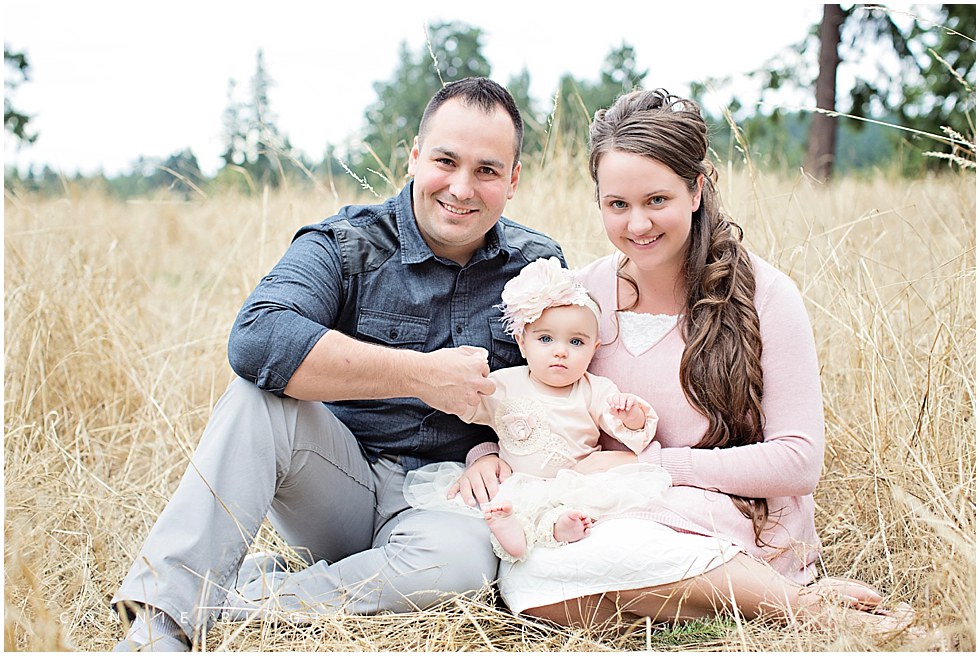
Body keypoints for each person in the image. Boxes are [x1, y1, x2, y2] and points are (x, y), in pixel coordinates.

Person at [110, 77, 565, 652]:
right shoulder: (347, 244)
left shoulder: (536, 266)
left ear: (514, 180)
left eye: (487, 170)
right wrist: (420, 375)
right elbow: (257, 336)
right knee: (257, 399)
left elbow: (561, 385)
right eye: (445, 161)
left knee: (462, 571)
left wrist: (494, 450)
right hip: (335, 484)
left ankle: (235, 603)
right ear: (415, 157)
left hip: (446, 501)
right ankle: (160, 627)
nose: (461, 187)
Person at [452, 88, 916, 636]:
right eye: (617, 205)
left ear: (696, 190)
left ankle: (795, 606)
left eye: (657, 201)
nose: (637, 225)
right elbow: (533, 393)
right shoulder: (579, 296)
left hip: (727, 516)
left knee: (592, 558)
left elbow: (798, 461)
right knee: (530, 573)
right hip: (607, 514)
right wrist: (486, 451)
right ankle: (727, 602)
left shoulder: (765, 295)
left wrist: (657, 466)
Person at [402, 257, 672, 562]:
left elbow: (632, 431)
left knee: (565, 511)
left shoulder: (595, 390)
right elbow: (464, 403)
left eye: (576, 342)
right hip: (518, 483)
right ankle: (511, 537)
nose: (560, 350)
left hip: (573, 482)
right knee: (513, 510)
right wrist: (452, 377)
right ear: (522, 343)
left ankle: (560, 529)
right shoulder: (503, 384)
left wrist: (630, 415)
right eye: (545, 338)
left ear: (594, 348)